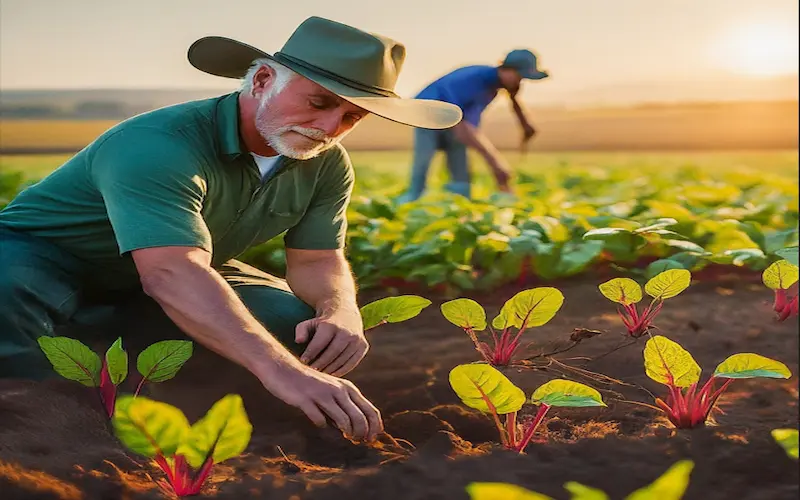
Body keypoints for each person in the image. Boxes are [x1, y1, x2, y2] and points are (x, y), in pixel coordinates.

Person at [0, 16, 460, 442]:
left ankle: (144, 380)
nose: (329, 127)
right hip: (48, 260)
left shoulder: (325, 163)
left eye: (352, 117)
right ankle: (43, 416)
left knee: (297, 329)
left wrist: (340, 310)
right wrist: (280, 371)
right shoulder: (158, 145)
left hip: (167, 278)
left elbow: (318, 258)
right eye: (319, 103)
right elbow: (171, 271)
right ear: (262, 81)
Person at [396, 49, 548, 203]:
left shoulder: (492, 87)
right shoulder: (476, 80)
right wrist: (495, 163)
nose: (519, 83)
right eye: (519, 77)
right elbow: (461, 125)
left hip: (451, 119)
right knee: (423, 162)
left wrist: (524, 123)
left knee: (460, 164)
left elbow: (468, 125)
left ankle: (460, 201)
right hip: (427, 114)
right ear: (507, 70)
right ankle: (411, 198)